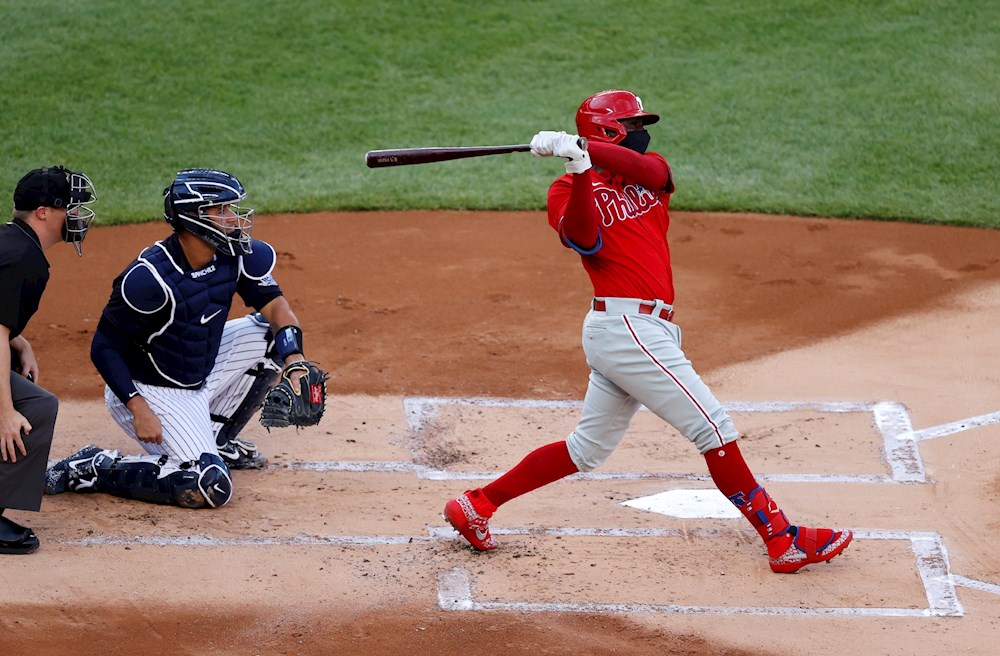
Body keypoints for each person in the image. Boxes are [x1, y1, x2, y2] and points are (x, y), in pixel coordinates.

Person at [442, 90, 853, 573]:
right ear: (610, 128)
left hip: (644, 331)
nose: (642, 131)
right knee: (713, 428)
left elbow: (658, 174)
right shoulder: (564, 190)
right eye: (632, 124)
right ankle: (782, 539)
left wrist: (583, 149)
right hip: (625, 328)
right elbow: (584, 239)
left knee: (585, 450)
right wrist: (577, 171)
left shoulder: (648, 174)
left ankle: (478, 505)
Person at [45, 168, 318, 509]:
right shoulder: (149, 279)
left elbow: (278, 311)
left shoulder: (233, 254)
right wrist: (138, 407)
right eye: (222, 211)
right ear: (193, 218)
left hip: (200, 372)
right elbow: (103, 347)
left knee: (273, 338)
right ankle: (96, 467)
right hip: (151, 390)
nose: (234, 219)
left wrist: (296, 361)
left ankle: (216, 440)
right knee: (208, 486)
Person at [1, 166, 97, 554]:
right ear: (43, 212)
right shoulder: (24, 259)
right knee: (36, 405)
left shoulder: (10, 242)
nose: (76, 216)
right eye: (70, 208)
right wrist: (4, 410)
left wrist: (19, 342)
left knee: (9, 361)